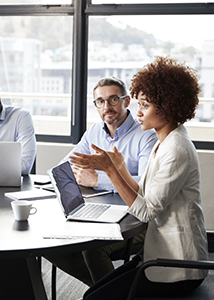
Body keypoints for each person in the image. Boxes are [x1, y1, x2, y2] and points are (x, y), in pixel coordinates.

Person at [73, 56, 208, 299]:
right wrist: (121, 167)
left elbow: (145, 212)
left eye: (145, 105)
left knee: (92, 298)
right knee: (94, 292)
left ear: (167, 106)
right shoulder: (164, 141)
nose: (139, 112)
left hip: (178, 267)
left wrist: (111, 172)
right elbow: (144, 192)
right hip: (157, 256)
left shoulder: (177, 149)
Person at [45, 76, 157, 286]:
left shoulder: (146, 135)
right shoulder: (95, 131)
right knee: (48, 242)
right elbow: (67, 164)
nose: (107, 106)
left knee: (94, 249)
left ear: (126, 101)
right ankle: (104, 289)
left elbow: (144, 184)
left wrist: (98, 180)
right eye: (100, 101)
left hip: (137, 219)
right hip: (100, 211)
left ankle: (106, 291)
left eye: (113, 99)